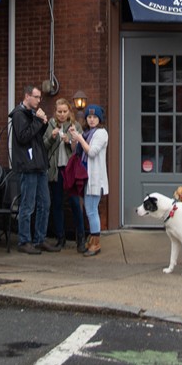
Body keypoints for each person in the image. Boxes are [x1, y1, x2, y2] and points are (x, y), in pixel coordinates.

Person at [10, 85, 59, 254]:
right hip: (28, 166)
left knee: (45, 203)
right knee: (28, 205)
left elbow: (36, 136)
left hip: (39, 165)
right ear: (27, 96)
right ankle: (24, 241)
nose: (39, 100)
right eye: (36, 97)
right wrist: (38, 121)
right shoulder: (19, 114)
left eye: (40, 98)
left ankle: (39, 239)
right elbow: (23, 137)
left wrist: (43, 124)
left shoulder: (31, 114)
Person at [68, 104, 109, 257]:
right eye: (89, 117)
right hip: (87, 177)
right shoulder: (88, 133)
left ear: (100, 119)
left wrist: (79, 137)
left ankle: (96, 243)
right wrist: (74, 137)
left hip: (95, 178)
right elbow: (78, 151)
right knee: (90, 210)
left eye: (94, 117)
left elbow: (91, 152)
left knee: (91, 211)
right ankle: (92, 240)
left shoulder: (101, 133)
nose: (91, 120)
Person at [44, 98, 82, 251]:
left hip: (70, 170)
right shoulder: (50, 125)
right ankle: (60, 238)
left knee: (74, 202)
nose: (61, 114)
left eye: (65, 111)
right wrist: (52, 137)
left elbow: (80, 149)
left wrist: (69, 141)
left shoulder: (75, 126)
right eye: (59, 111)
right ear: (55, 111)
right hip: (55, 170)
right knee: (57, 204)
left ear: (69, 112)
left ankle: (81, 238)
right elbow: (44, 146)